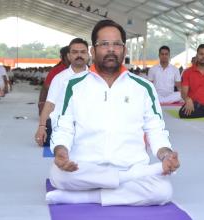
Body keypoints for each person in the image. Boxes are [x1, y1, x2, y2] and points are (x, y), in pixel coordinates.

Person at [46, 19, 180, 206]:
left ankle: (85, 196)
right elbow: (63, 126)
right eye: (104, 44)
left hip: (129, 164)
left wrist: (166, 155)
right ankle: (128, 180)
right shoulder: (73, 85)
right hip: (85, 165)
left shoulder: (143, 87)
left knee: (163, 191)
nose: (111, 49)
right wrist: (61, 151)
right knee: (58, 174)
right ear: (93, 51)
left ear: (124, 50)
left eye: (117, 44)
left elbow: (155, 129)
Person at [35, 38, 89, 146]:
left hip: (88, 128)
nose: (79, 55)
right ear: (68, 56)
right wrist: (41, 127)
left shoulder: (96, 77)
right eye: (74, 52)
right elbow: (49, 104)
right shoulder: (59, 78)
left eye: (83, 52)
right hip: (63, 128)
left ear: (88, 55)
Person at [179, 44, 204, 118]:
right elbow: (183, 93)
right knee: (183, 112)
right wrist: (187, 99)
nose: (203, 57)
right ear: (197, 55)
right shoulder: (188, 72)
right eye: (201, 54)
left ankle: (203, 111)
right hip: (193, 105)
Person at [38, 46, 70, 115]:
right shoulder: (56, 70)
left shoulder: (79, 68)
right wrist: (42, 104)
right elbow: (47, 87)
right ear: (64, 57)